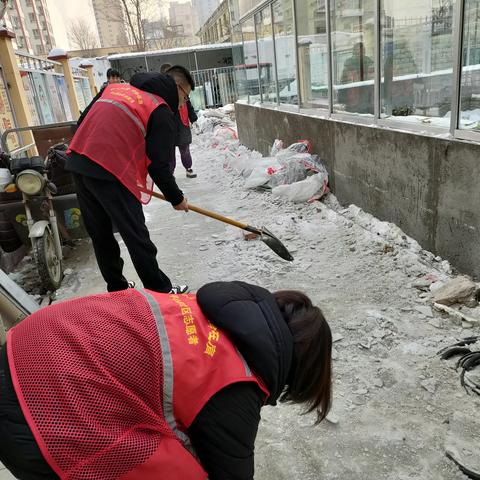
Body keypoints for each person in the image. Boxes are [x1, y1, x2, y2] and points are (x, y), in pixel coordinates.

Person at [0, 281, 332, 480]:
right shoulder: (234, 385)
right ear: (299, 371)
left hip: (22, 348)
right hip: (41, 416)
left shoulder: (202, 312)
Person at [65, 66, 195, 294]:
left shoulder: (116, 89)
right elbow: (158, 165)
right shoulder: (159, 109)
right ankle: (160, 290)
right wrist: (177, 198)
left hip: (79, 161)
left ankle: (117, 288)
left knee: (100, 233)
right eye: (186, 96)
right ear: (178, 87)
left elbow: (82, 120)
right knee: (135, 233)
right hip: (110, 169)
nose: (184, 103)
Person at [161, 62, 198, 178]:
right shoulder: (162, 95)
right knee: (170, 152)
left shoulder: (182, 92)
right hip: (169, 126)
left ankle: (188, 167)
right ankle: (170, 173)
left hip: (182, 124)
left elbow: (188, 104)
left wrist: (193, 119)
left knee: (185, 149)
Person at [339, 42, 374, 114]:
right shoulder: (349, 64)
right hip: (353, 98)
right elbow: (343, 82)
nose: (360, 52)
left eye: (362, 50)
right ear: (354, 52)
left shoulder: (369, 62)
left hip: (366, 98)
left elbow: (373, 79)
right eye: (358, 50)